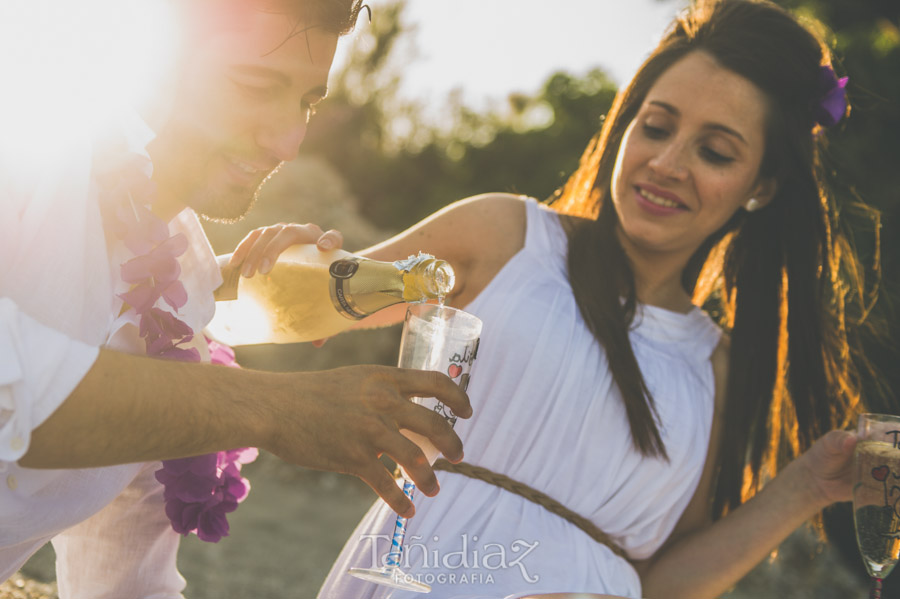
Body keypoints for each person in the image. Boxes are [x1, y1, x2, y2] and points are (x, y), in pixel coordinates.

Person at [234, 0, 874, 597]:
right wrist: (286, 259)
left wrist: (806, 489)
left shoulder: (718, 368)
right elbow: (298, 310)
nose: (667, 163)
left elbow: (662, 583)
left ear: (760, 187)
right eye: (655, 127)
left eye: (713, 151)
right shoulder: (506, 236)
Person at [0, 0, 472, 596]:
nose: (288, 142)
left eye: (307, 102)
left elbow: (124, 575)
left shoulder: (179, 301)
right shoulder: (22, 157)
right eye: (254, 85)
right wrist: (273, 407)